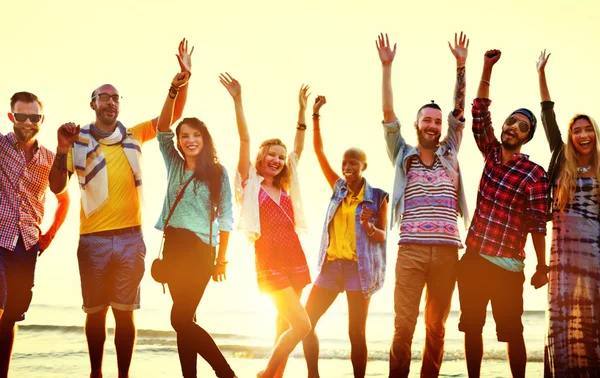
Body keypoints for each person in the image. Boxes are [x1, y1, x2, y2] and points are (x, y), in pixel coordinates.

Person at [47, 39, 191, 378]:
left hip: (130, 238)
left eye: (115, 97)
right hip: (92, 239)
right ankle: (96, 373)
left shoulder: (135, 135)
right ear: (93, 103)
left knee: (125, 314)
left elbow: (173, 117)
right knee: (95, 312)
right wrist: (60, 147)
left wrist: (181, 82)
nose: (111, 102)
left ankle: (123, 375)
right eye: (104, 97)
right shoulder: (76, 139)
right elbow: (56, 186)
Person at [376, 32, 470, 378]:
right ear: (417, 125)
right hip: (412, 251)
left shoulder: (450, 153)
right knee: (403, 328)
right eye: (426, 120)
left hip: (447, 253)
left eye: (436, 121)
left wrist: (461, 66)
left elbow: (460, 108)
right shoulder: (404, 155)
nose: (432, 125)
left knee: (437, 328)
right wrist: (387, 67)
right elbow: (388, 113)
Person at [457, 49, 549, 378]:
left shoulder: (534, 174)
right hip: (474, 259)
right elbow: (479, 113)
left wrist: (542, 266)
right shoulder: (492, 154)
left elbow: (539, 224)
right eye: (511, 121)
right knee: (471, 327)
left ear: (527, 137)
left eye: (522, 126)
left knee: (512, 333)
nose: (512, 127)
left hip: (509, 267)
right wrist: (486, 67)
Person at [220, 73, 311, 378]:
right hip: (269, 257)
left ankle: (275, 375)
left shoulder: (286, 186)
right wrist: (237, 99)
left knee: (284, 324)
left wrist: (302, 110)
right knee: (302, 324)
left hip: (294, 254)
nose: (276, 159)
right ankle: (266, 375)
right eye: (271, 154)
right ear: (260, 156)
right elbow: (244, 138)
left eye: (280, 157)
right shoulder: (249, 183)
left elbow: (298, 148)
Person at [155, 63, 237, 377]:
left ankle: (225, 373)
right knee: (184, 320)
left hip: (201, 251)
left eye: (195, 135)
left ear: (204, 138)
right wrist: (173, 90)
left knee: (180, 319)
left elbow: (227, 216)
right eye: (184, 136)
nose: (190, 140)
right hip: (174, 248)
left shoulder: (218, 172)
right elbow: (162, 128)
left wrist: (222, 260)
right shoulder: (174, 164)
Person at [302, 95, 389, 378]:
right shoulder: (337, 187)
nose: (347, 167)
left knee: (355, 332)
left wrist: (368, 226)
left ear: (364, 166)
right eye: (345, 163)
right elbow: (318, 152)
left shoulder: (377, 198)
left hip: (358, 270)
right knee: (305, 322)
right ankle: (313, 375)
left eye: (353, 163)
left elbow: (382, 236)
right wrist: (315, 116)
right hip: (331, 267)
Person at [536, 50, 600, 377]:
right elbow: (548, 117)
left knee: (593, 321)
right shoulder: (563, 161)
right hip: (563, 258)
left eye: (588, 130)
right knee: (564, 319)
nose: (583, 135)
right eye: (577, 130)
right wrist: (541, 74)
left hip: (595, 255)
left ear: (595, 135)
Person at [0, 91, 70, 377]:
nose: (28, 122)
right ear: (11, 117)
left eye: (34, 117)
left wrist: (49, 235)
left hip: (26, 245)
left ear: (42, 119)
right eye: (21, 116)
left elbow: (62, 197)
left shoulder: (50, 158)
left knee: (11, 318)